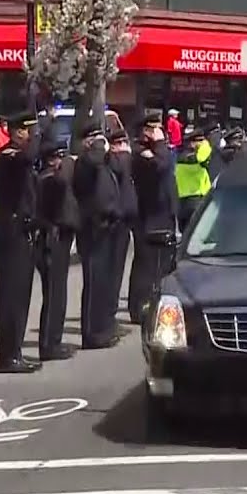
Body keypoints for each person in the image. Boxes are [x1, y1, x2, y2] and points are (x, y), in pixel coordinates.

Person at [0, 111, 41, 373]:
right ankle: (7, 354)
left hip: (22, 230)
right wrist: (40, 134)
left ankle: (14, 350)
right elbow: (28, 157)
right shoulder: (8, 155)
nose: (29, 135)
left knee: (21, 295)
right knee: (11, 295)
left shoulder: (20, 156)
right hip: (9, 231)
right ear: (15, 131)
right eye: (25, 130)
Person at [72, 125, 121, 349]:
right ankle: (92, 333)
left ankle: (103, 328)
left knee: (103, 282)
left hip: (107, 225)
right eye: (93, 138)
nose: (99, 142)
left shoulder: (103, 161)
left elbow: (118, 166)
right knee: (93, 282)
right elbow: (93, 163)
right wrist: (98, 147)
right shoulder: (84, 162)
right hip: (92, 227)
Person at [128, 113, 178, 325]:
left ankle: (152, 304)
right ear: (146, 132)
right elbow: (162, 166)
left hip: (163, 212)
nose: (160, 133)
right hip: (149, 214)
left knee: (161, 264)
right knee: (146, 265)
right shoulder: (141, 152)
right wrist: (158, 143)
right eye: (155, 130)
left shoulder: (156, 151)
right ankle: (139, 308)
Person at [34, 140, 79, 361]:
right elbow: (61, 184)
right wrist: (69, 163)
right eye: (58, 157)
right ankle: (48, 345)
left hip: (61, 238)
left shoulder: (56, 177)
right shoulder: (47, 179)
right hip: (51, 241)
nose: (62, 161)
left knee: (59, 293)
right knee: (53, 295)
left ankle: (55, 341)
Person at [107, 127, 138, 337]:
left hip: (125, 220)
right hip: (114, 221)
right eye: (119, 144)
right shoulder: (114, 162)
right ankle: (108, 315)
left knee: (117, 271)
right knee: (112, 272)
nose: (125, 149)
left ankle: (111, 315)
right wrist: (121, 154)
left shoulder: (125, 162)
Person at [174, 127, 211, 231]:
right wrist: (205, 144)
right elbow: (202, 156)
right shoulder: (196, 158)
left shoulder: (180, 156)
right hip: (196, 199)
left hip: (182, 201)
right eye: (200, 141)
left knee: (186, 233)